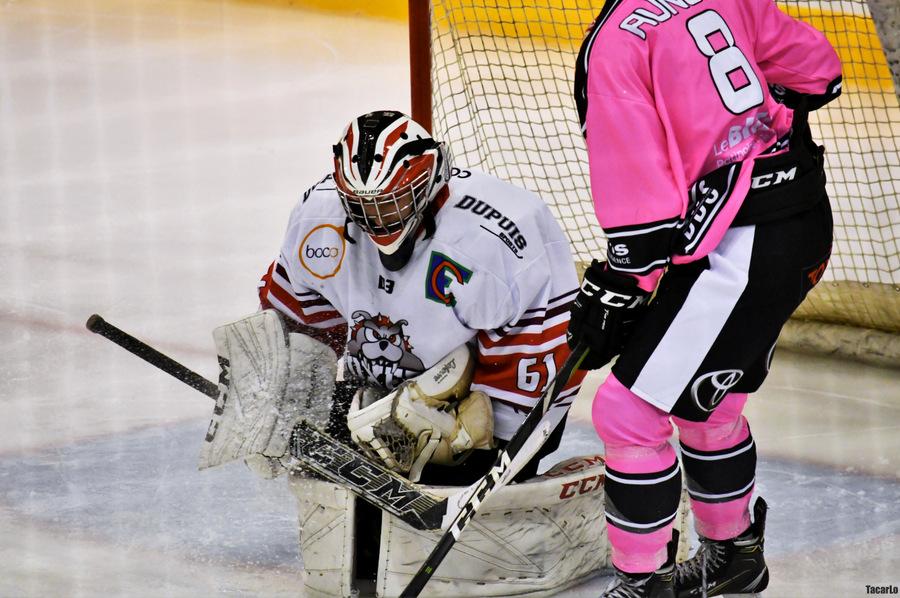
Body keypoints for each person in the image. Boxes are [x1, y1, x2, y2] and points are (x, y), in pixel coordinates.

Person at [569, 2, 842, 597]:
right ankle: (734, 558)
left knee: (628, 412)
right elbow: (820, 71)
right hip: (802, 224)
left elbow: (644, 207)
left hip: (740, 250)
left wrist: (625, 288)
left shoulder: (614, 42)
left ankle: (644, 585)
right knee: (708, 404)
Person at [256, 109, 585, 486]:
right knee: (321, 425)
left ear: (427, 185)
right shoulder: (317, 221)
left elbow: (539, 362)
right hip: (376, 387)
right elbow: (294, 322)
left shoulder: (494, 243)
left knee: (439, 437)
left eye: (391, 201)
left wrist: (494, 458)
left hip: (477, 398)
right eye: (363, 205)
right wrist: (282, 394)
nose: (378, 218)